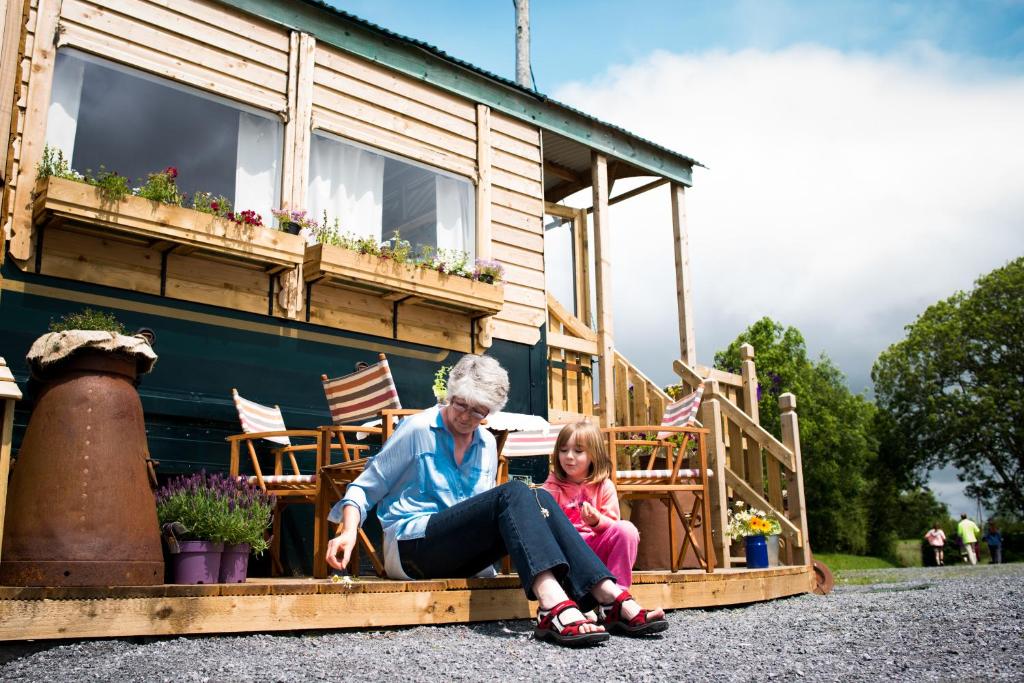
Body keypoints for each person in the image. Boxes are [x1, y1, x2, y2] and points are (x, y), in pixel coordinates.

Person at [325, 354, 668, 647]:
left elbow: (484, 516)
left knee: (537, 498)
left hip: (462, 555)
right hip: (412, 548)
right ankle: (552, 602)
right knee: (516, 491)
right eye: (460, 405)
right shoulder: (417, 430)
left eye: (478, 411)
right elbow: (363, 488)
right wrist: (348, 531)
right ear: (450, 395)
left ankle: (608, 595)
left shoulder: (487, 445)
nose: (465, 417)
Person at [542, 421, 640, 587]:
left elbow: (614, 527)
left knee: (627, 529)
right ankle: (572, 600)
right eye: (563, 450)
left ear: (594, 455)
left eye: (578, 451)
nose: (569, 456)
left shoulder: (604, 486)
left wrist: (596, 521)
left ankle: (618, 594)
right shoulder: (552, 487)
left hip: (596, 550)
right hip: (566, 554)